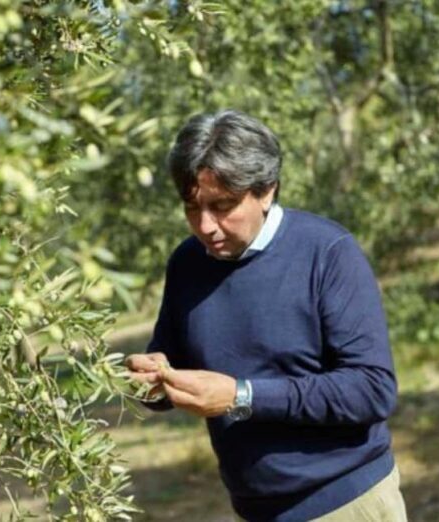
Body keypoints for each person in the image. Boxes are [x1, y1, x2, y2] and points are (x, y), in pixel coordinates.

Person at [126, 110, 408, 521]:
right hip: (255, 510)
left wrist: (242, 397)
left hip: (348, 502)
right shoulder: (187, 264)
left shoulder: (327, 252)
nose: (206, 226)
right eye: (192, 207)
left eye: (223, 206)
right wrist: (151, 380)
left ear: (266, 191)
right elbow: (170, 365)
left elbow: (371, 389)